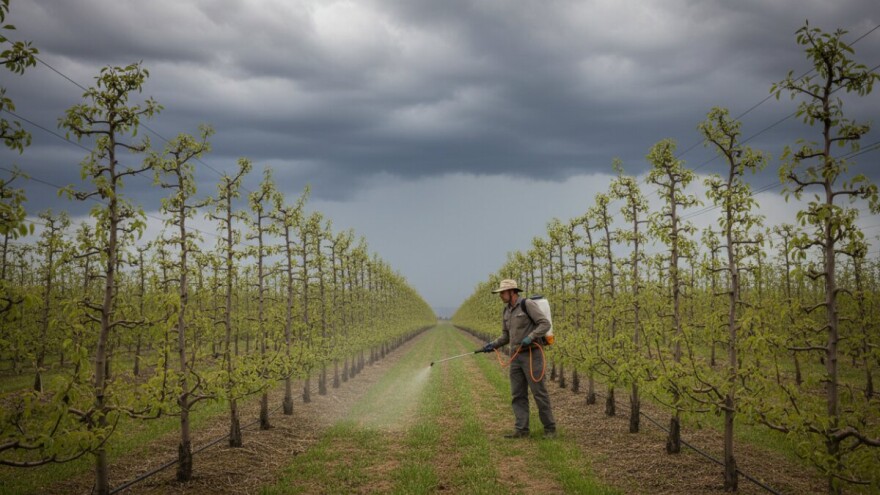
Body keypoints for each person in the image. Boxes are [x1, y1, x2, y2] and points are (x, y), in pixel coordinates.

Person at [479, 279, 556, 439]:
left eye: (503, 292)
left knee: (539, 393)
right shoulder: (506, 311)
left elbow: (544, 324)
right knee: (517, 394)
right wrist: (492, 345)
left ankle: (550, 428)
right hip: (516, 357)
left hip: (532, 355)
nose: (500, 295)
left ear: (512, 292)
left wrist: (531, 336)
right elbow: (506, 336)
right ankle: (521, 429)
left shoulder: (527, 305)